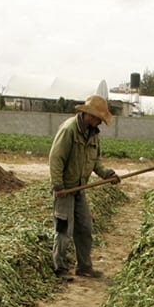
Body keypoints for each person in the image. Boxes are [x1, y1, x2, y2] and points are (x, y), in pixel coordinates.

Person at [49, 94, 120, 279]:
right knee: (64, 230)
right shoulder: (69, 130)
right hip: (65, 190)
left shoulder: (93, 135)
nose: (100, 123)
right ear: (89, 115)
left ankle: (84, 266)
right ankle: (60, 268)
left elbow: (95, 161)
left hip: (80, 189)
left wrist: (107, 174)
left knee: (85, 228)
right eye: (99, 119)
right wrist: (58, 185)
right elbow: (56, 158)